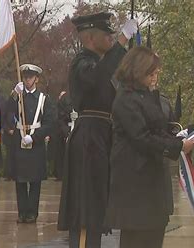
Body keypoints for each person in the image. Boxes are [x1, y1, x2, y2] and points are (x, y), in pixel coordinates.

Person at [57, 12, 138, 247]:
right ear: (91, 38)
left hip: (101, 136)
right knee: (86, 211)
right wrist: (122, 40)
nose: (111, 39)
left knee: (96, 210)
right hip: (88, 138)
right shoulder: (82, 63)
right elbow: (97, 77)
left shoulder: (100, 63)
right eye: (107, 35)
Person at [104, 47, 194, 248]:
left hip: (151, 177)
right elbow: (141, 137)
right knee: (137, 238)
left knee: (154, 234)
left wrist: (178, 139)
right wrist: (178, 147)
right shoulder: (126, 98)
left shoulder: (147, 96)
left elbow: (158, 128)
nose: (155, 77)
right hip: (134, 178)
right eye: (151, 73)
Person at [7, 64, 55, 223]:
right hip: (20, 142)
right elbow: (8, 113)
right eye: (25, 77)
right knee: (20, 180)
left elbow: (49, 123)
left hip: (36, 144)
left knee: (35, 181)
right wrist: (14, 94)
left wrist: (34, 137)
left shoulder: (44, 99)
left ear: (36, 79)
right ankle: (22, 213)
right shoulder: (18, 96)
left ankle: (32, 213)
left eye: (30, 77)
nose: (27, 80)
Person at [52, 91, 73, 180]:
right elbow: (59, 118)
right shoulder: (63, 101)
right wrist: (66, 132)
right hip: (63, 131)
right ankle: (61, 174)